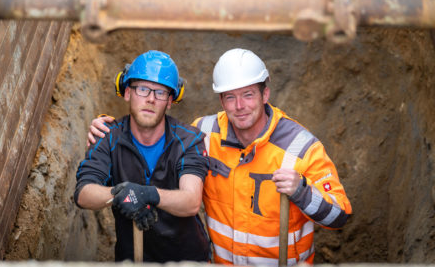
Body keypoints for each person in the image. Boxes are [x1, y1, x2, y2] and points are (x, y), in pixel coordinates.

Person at [88, 48, 352, 265]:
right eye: (230, 97)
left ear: (265, 94)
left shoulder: (300, 147)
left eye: (248, 94)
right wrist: (107, 128)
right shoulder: (204, 133)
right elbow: (157, 136)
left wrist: (302, 190)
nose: (240, 106)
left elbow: (339, 216)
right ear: (221, 100)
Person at [74, 50, 210, 263]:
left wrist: (149, 195)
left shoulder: (188, 140)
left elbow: (191, 201)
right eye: (143, 89)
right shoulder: (107, 137)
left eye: (160, 92)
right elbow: (83, 193)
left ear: (170, 101)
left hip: (187, 258)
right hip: (133, 259)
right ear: (127, 92)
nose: (150, 99)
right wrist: (122, 194)